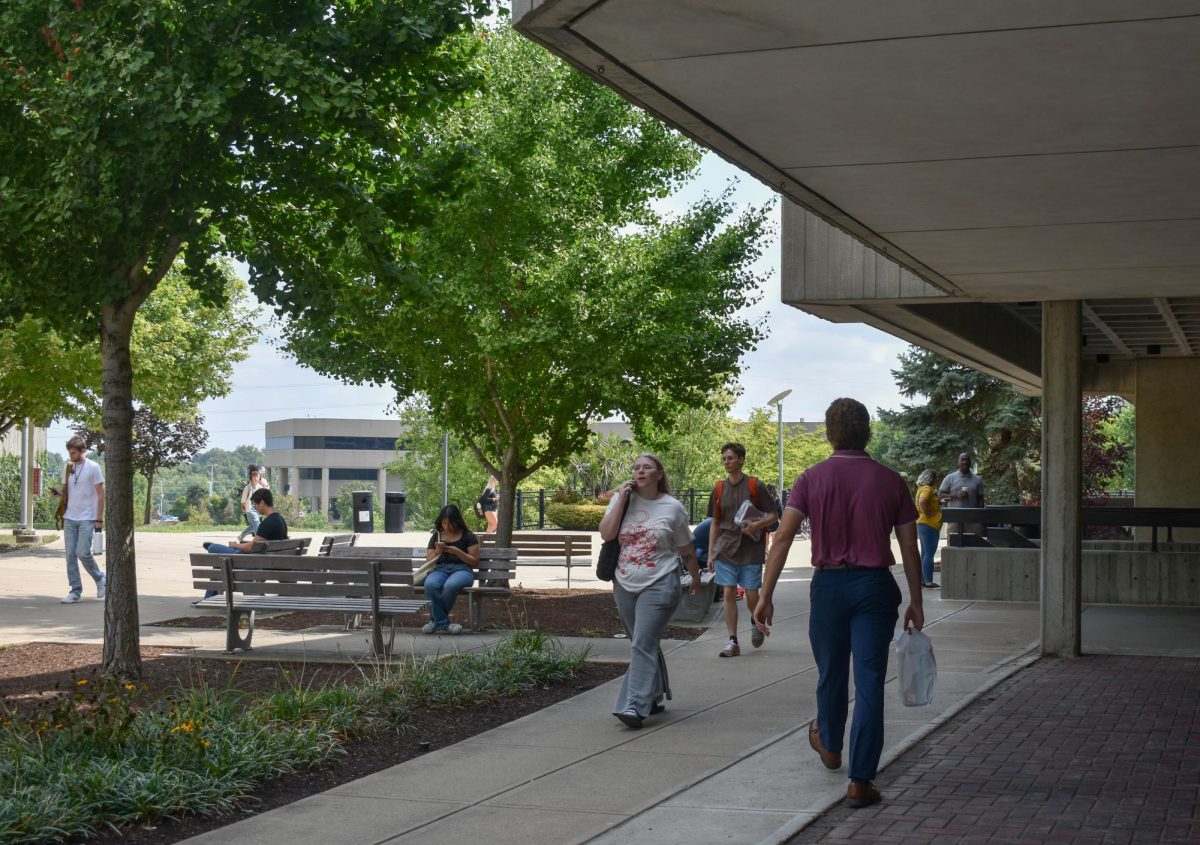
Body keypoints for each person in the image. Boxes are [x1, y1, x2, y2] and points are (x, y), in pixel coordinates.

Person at [754, 398, 924, 810]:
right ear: (868, 432)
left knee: (831, 673)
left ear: (829, 434)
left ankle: (830, 744)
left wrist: (765, 595)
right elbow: (907, 545)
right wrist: (916, 600)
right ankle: (860, 781)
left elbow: (780, 541)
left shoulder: (811, 478)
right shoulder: (891, 480)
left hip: (828, 588)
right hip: (874, 587)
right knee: (869, 682)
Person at [599, 453, 701, 729]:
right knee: (643, 642)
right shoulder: (622, 501)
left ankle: (633, 705)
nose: (640, 471)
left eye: (647, 467)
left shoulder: (673, 507)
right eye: (636, 467)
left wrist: (695, 577)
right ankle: (654, 695)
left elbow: (685, 548)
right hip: (624, 582)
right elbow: (607, 534)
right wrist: (620, 499)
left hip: (661, 581)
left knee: (642, 643)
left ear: (659, 473)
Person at [708, 443, 778, 657]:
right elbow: (715, 523)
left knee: (750, 594)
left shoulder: (755, 485)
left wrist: (756, 525)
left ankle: (755, 620)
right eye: (724, 459)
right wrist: (711, 552)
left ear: (741, 459)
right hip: (725, 548)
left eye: (730, 458)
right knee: (728, 591)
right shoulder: (719, 488)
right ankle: (732, 641)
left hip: (750, 548)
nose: (726, 462)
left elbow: (773, 515)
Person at [197, 488, 287, 601]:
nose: (255, 508)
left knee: (214, 550)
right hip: (268, 560)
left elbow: (250, 548)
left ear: (262, 503)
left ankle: (208, 599)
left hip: (252, 562)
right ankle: (209, 598)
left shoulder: (267, 523)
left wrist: (235, 545)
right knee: (220, 561)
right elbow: (258, 545)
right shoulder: (280, 520)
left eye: (255, 504)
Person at [51, 435, 106, 604]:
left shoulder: (93, 467)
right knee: (70, 556)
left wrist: (99, 519)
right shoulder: (67, 467)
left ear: (83, 451)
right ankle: (75, 591)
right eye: (69, 453)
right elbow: (68, 491)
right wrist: (59, 494)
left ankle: (100, 578)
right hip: (70, 517)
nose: (71, 456)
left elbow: (101, 495)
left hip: (87, 517)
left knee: (82, 552)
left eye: (74, 453)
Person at [422, 504, 480, 635]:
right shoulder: (436, 536)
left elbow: (474, 561)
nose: (446, 527)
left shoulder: (468, 536)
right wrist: (437, 551)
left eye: (450, 523)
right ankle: (444, 624)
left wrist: (457, 552)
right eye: (444, 523)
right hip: (440, 569)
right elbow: (428, 560)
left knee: (451, 585)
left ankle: (434, 621)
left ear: (457, 521)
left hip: (463, 570)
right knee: (430, 584)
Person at [938, 453, 987, 541]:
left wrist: (980, 517)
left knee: (974, 546)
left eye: (967, 460)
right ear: (958, 463)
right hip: (954, 519)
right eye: (962, 460)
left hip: (973, 520)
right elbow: (940, 496)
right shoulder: (950, 478)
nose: (965, 462)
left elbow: (981, 499)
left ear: (970, 462)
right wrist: (956, 495)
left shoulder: (977, 479)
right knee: (954, 546)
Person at [915, 469, 943, 588]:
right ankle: (928, 582)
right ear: (931, 478)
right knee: (929, 554)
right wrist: (928, 513)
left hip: (922, 524)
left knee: (925, 553)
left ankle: (922, 580)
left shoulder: (921, 488)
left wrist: (939, 503)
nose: (936, 481)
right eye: (935, 478)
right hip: (929, 524)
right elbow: (922, 501)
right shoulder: (927, 489)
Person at [237, 465, 270, 541]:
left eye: (257, 476)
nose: (256, 478)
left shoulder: (259, 487)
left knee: (252, 526)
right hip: (249, 509)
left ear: (259, 478)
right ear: (251, 478)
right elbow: (243, 500)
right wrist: (244, 509)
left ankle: (241, 536)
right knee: (257, 523)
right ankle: (259, 540)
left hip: (257, 509)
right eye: (254, 476)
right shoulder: (248, 487)